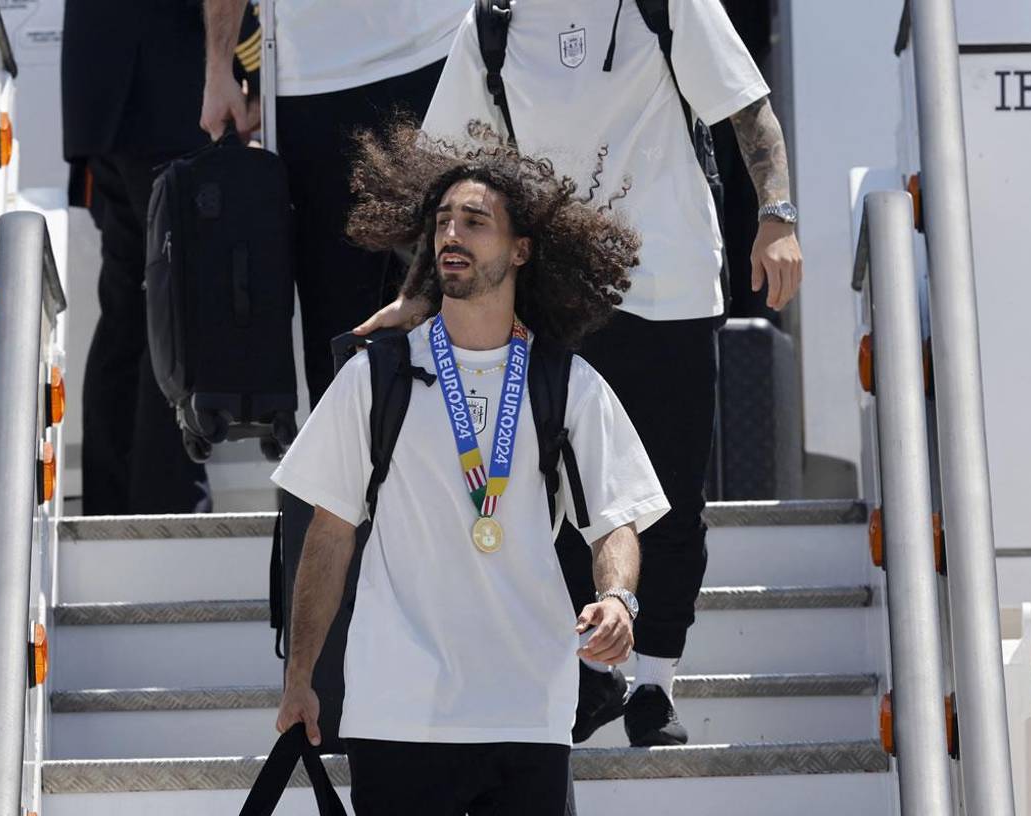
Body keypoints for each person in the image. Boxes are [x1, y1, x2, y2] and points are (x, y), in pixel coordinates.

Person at [356, 0, 804, 747]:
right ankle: (590, 670)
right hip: (558, 297)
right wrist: (416, 294)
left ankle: (654, 688)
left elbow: (748, 107)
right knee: (550, 492)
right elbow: (449, 168)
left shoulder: (669, 5)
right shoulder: (494, 22)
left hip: (673, 286)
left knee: (668, 496)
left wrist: (777, 215)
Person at [270, 124, 669, 816]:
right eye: (443, 221)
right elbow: (329, 536)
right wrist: (299, 677)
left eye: (475, 221)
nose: (452, 234)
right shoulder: (377, 377)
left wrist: (618, 600)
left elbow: (616, 522)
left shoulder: (565, 383)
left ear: (520, 250)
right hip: (395, 713)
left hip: (527, 710)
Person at [200, 0, 472, 407]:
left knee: (467, 295)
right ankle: (349, 466)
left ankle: (476, 464)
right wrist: (219, 68)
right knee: (340, 326)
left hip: (442, 47)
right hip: (314, 78)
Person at [61, 0, 259, 514]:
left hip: (107, 101)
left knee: (129, 313)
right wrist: (255, 66)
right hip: (166, 92)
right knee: (177, 309)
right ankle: (166, 507)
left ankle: (114, 506)